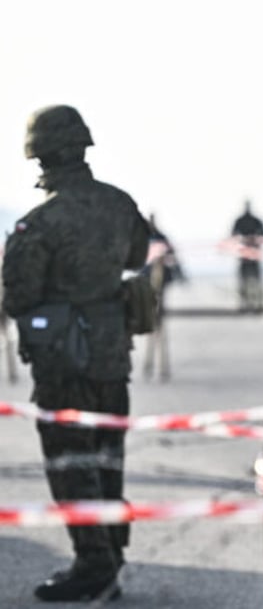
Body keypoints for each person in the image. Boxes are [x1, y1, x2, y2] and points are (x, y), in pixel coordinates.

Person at [2, 105, 150, 602]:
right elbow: (134, 258)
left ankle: (93, 564)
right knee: (108, 458)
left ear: (38, 154)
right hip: (112, 356)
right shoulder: (120, 204)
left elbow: (17, 297)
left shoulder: (38, 224)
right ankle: (111, 553)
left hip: (63, 363)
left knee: (70, 462)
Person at [141, 213, 185, 380]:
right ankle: (151, 364)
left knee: (158, 325)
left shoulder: (159, 239)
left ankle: (156, 365)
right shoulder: (145, 239)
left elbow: (173, 259)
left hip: (159, 287)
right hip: (148, 287)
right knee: (154, 326)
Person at [231, 200, 263, 311]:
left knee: (254, 282)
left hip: (253, 255)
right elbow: (233, 234)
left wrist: (253, 239)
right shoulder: (241, 220)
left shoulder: (255, 221)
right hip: (244, 255)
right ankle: (245, 304)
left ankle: (256, 304)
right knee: (244, 282)